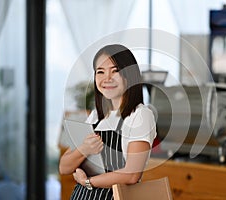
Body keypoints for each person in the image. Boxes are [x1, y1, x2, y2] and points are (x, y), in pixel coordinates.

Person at [59, 44, 157, 200]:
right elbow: (64, 167)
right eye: (100, 72)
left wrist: (88, 182)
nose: (107, 78)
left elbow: (131, 174)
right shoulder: (96, 116)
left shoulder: (140, 115)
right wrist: (84, 148)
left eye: (115, 71)